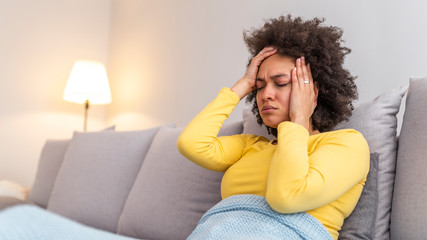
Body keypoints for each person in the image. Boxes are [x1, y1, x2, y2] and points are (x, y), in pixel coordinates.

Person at [177, 15, 369, 240]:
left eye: (281, 83)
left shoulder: (347, 143)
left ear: (313, 91)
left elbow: (286, 197)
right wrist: (242, 86)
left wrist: (298, 119)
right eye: (259, 87)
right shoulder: (250, 145)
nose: (265, 95)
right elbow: (191, 143)